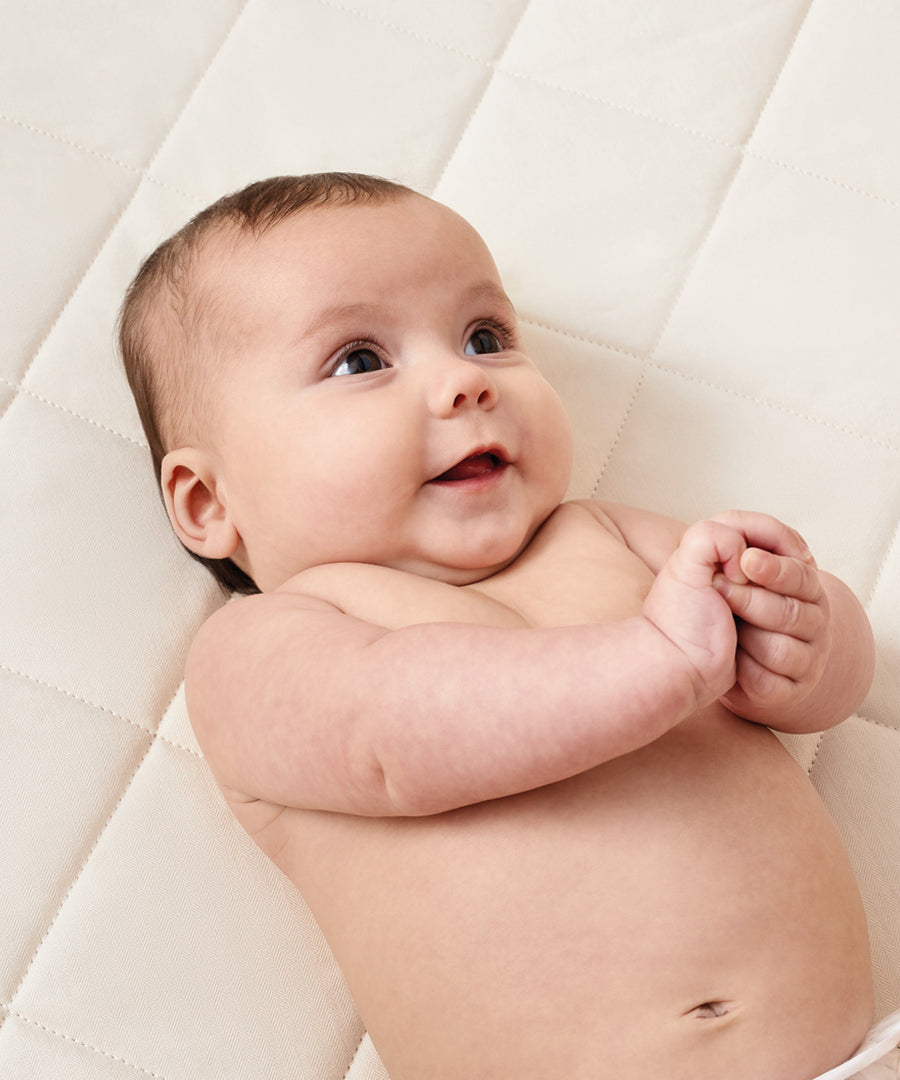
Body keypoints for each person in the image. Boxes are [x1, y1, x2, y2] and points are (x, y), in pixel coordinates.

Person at [119, 173, 900, 1080]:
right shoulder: (266, 643)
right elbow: (396, 737)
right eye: (360, 360)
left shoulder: (605, 534)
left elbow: (838, 685)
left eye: (485, 338)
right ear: (208, 501)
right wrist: (658, 661)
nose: (462, 381)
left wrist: (804, 638)